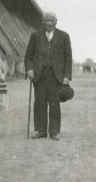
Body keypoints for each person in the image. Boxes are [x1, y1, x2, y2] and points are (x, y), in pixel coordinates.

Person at [25, 12, 72, 141]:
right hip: (39, 75)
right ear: (43, 22)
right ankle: (41, 131)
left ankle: (54, 131)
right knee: (39, 102)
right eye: (47, 20)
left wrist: (67, 76)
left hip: (56, 76)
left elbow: (68, 57)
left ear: (56, 22)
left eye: (51, 20)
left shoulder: (64, 36)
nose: (49, 23)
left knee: (54, 103)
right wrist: (29, 69)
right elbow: (28, 55)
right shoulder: (35, 36)